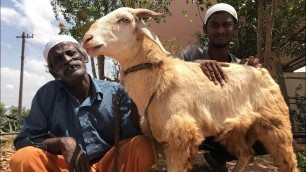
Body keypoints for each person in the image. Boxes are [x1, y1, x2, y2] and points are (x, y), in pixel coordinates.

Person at [9, 35, 155, 172]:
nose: (67, 60)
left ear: (84, 57)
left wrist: (138, 98)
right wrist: (62, 142)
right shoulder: (47, 94)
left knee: (142, 146)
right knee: (24, 158)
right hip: (67, 167)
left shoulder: (115, 92)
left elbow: (131, 134)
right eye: (58, 59)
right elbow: (24, 140)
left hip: (111, 165)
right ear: (53, 72)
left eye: (70, 53)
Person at [180, 3, 264, 172]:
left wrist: (253, 77)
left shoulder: (239, 65)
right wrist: (194, 67)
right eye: (214, 25)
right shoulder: (192, 55)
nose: (220, 31)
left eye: (226, 25)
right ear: (205, 29)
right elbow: (173, 80)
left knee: (270, 135)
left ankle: (217, 156)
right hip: (195, 127)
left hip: (224, 132)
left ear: (235, 28)